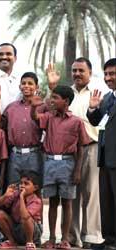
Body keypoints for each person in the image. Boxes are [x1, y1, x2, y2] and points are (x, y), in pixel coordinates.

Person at [47, 58, 106, 248]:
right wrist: (52, 86)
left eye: (81, 70)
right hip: (69, 153)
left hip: (92, 147)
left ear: (90, 72)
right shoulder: (66, 93)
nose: (77, 74)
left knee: (90, 193)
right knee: (70, 197)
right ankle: (71, 238)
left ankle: (90, 237)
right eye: (74, 71)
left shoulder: (98, 93)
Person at [31, 85, 90, 249]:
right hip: (50, 162)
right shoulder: (49, 117)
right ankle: (51, 238)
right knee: (52, 201)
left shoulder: (77, 121)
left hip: (68, 164)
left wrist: (78, 170)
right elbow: (35, 118)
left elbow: (81, 148)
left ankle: (64, 239)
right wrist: (35, 106)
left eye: (56, 97)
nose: (52, 100)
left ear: (66, 101)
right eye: (52, 97)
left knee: (67, 203)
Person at [87, 58, 116, 250]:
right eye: (106, 74)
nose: (108, 78)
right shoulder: (106, 98)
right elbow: (97, 121)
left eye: (112, 73)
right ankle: (110, 240)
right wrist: (92, 108)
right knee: (107, 202)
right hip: (105, 158)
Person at [2, 72, 43, 184]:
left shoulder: (42, 107)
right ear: (19, 86)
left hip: (34, 154)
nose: (26, 86)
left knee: (34, 188)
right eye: (23, 83)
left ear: (36, 87)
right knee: (13, 187)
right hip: (15, 154)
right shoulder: (11, 108)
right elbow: (2, 127)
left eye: (30, 83)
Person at [0, 170, 43, 250]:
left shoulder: (36, 200)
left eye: (26, 184)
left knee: (27, 218)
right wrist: (5, 196)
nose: (22, 186)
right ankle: (12, 241)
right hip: (17, 228)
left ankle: (30, 242)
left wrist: (21, 197)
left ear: (35, 188)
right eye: (21, 183)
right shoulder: (16, 194)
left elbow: (25, 216)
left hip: (33, 233)